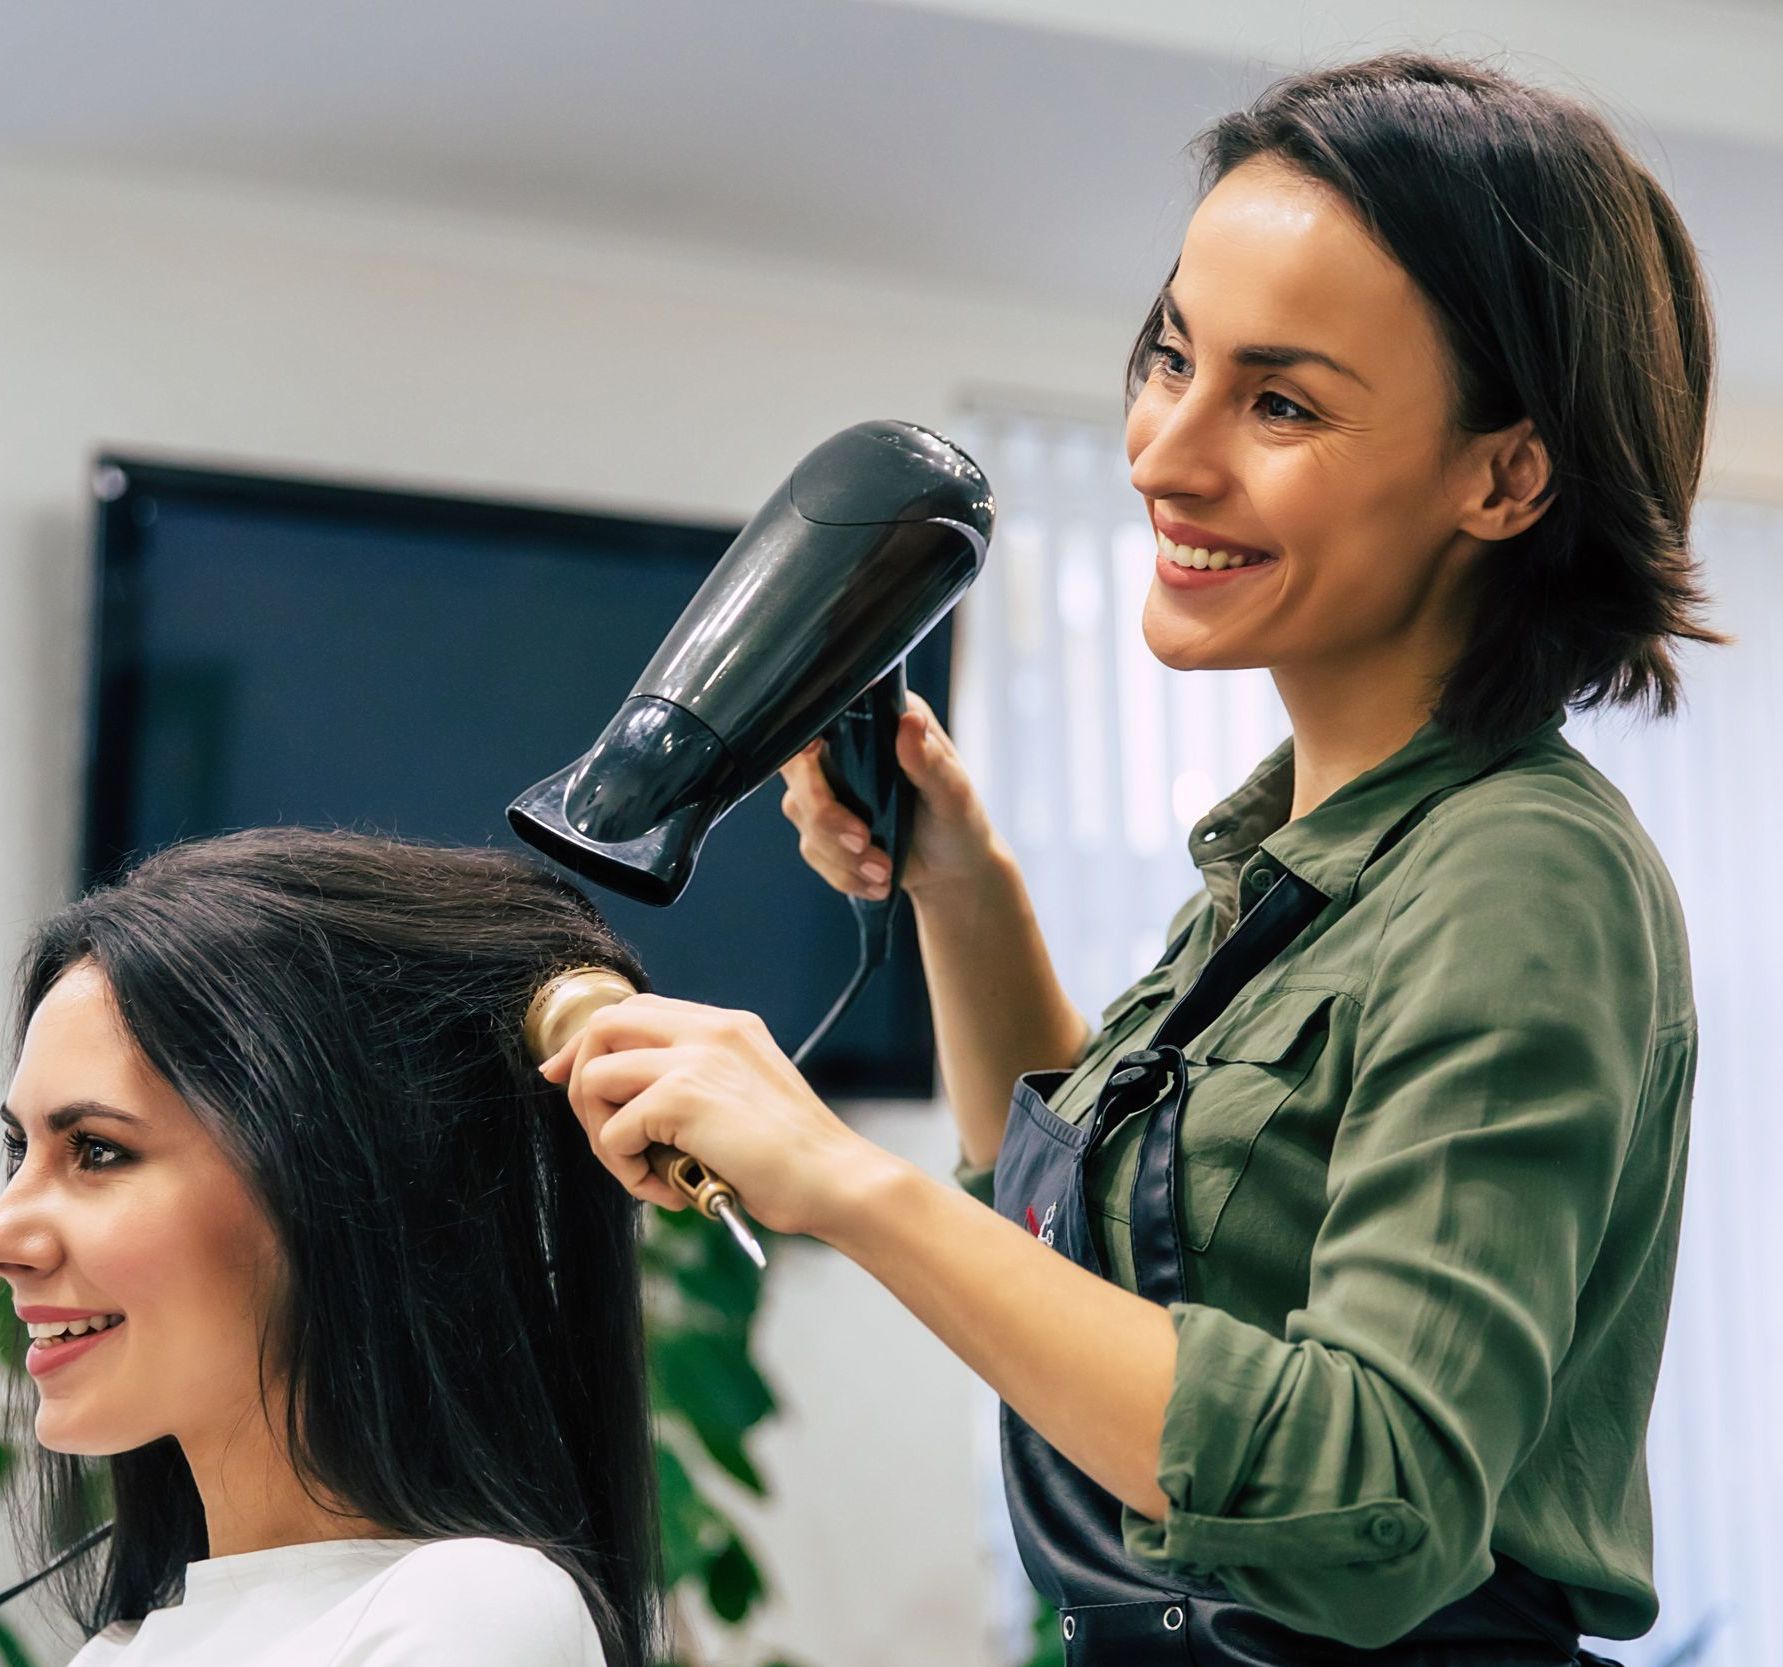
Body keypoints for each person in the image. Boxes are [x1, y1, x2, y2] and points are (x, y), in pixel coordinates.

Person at [540, 53, 1716, 1666]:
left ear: (1503, 474)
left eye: (1279, 402)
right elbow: (1068, 1251)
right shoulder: (1297, 856)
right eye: (1168, 358)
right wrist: (958, 883)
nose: (1164, 451)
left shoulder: (1514, 876)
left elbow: (1367, 1508)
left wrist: (837, 1175)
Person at [0, 829, 660, 1667]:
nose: (8, 1236)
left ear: (331, 1184)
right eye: (19, 1151)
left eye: (97, 1149)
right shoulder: (117, 1652)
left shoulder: (467, 1613)